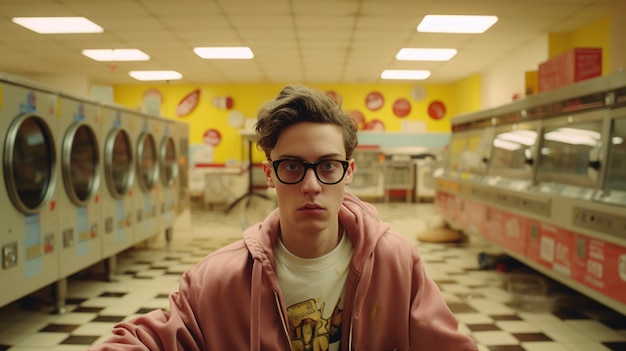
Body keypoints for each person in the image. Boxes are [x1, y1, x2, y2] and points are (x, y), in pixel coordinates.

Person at [87, 85, 478, 351]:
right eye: (292, 166)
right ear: (269, 174)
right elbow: (139, 340)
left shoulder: (397, 262)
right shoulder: (218, 279)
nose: (311, 185)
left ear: (350, 171)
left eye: (328, 166)